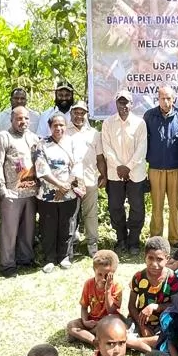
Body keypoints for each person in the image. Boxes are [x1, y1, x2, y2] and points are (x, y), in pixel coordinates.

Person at [0, 106, 41, 277]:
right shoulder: (3, 137)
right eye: (19, 119)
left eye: (26, 119)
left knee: (28, 229)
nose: (23, 122)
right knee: (9, 230)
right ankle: (7, 264)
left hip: (30, 191)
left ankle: (25, 258)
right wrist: (1, 189)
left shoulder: (33, 138)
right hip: (11, 192)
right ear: (12, 120)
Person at [34, 113, 84, 273]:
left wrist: (66, 186)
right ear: (50, 127)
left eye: (62, 125)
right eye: (55, 125)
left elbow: (78, 165)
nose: (59, 128)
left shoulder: (72, 143)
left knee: (67, 225)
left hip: (68, 193)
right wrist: (59, 185)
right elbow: (41, 168)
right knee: (48, 226)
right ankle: (49, 258)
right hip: (48, 194)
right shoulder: (41, 144)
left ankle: (64, 256)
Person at [101, 89, 148, 253]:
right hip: (115, 174)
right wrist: (119, 166)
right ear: (116, 104)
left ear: (132, 104)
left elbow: (142, 148)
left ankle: (134, 241)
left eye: (126, 102)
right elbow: (106, 148)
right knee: (115, 207)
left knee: (137, 208)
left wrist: (128, 167)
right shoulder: (107, 123)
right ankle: (121, 239)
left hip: (136, 173)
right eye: (120, 102)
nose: (124, 105)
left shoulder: (140, 123)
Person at [144, 85, 178, 247]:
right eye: (162, 98)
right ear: (158, 99)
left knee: (175, 205)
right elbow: (144, 142)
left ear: (174, 99)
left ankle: (175, 238)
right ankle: (156, 239)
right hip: (155, 168)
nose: (166, 101)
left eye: (169, 98)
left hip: (176, 167)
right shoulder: (149, 116)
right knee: (157, 205)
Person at [67, 249, 124, 348]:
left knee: (108, 329)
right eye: (99, 274)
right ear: (94, 271)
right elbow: (84, 307)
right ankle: (94, 341)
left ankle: (85, 335)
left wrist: (108, 290)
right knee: (71, 325)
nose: (103, 279)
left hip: (109, 321)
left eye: (107, 275)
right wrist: (85, 321)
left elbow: (111, 310)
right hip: (92, 321)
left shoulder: (116, 286)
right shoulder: (89, 283)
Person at [68, 101, 103, 257]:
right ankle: (71, 245)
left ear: (86, 114)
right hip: (70, 181)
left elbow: (100, 157)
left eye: (82, 113)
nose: (79, 115)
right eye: (76, 112)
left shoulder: (94, 133)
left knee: (90, 213)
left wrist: (104, 175)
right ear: (71, 113)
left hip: (90, 179)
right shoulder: (64, 131)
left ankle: (92, 244)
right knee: (71, 214)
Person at [128, 236, 173, 354]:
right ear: (145, 258)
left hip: (161, 323)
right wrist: (142, 326)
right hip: (139, 320)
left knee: (168, 337)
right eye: (150, 258)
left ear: (167, 259)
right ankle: (147, 345)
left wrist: (154, 307)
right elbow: (131, 306)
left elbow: (174, 305)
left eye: (159, 259)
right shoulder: (138, 277)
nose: (154, 264)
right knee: (120, 330)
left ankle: (132, 342)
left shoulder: (172, 279)